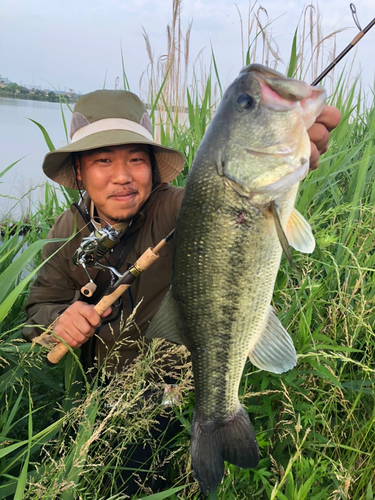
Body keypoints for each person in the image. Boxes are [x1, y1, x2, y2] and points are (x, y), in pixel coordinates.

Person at [22, 88, 340, 492]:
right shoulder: (66, 232)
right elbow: (38, 310)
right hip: (105, 390)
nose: (122, 175)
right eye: (103, 160)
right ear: (80, 172)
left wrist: (281, 153)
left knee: (173, 473)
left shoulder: (180, 208)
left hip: (181, 381)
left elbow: (226, 195)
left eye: (136, 159)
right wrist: (59, 320)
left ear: (154, 168)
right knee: (117, 477)